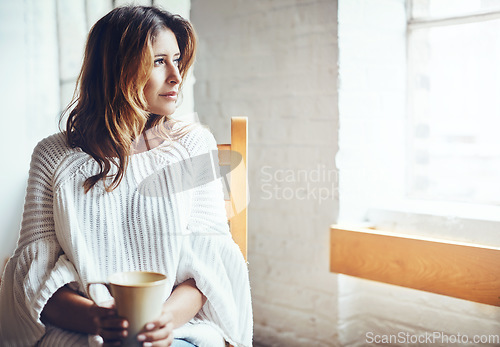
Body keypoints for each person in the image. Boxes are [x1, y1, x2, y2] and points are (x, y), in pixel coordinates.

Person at [0, 6, 252, 347]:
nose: (177, 76)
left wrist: (163, 323)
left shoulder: (194, 146)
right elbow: (34, 280)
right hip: (78, 330)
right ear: (117, 69)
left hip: (177, 331)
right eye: (159, 61)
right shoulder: (52, 156)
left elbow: (208, 271)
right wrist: (98, 320)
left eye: (177, 59)